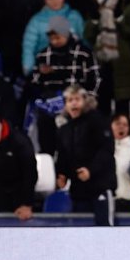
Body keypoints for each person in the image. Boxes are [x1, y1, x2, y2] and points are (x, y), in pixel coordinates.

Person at [31, 15, 101, 155]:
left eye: (58, 37)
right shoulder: (43, 56)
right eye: (52, 38)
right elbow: (35, 81)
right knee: (46, 141)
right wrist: (43, 98)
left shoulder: (83, 53)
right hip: (50, 105)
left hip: (77, 103)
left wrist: (87, 100)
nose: (55, 41)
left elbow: (94, 79)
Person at [56, 85, 116, 226]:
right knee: (79, 234)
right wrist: (62, 173)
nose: (74, 103)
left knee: (104, 232)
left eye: (77, 99)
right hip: (78, 190)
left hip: (100, 187)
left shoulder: (98, 121)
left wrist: (90, 170)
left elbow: (106, 150)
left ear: (85, 101)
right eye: (70, 100)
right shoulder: (64, 129)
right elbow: (62, 155)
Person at [22, 0, 84, 76]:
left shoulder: (74, 16)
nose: (54, 1)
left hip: (72, 65)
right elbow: (29, 46)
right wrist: (29, 69)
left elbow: (85, 40)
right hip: (45, 66)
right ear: (45, 0)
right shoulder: (37, 20)